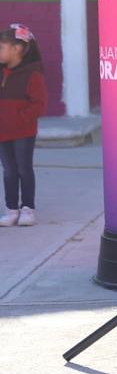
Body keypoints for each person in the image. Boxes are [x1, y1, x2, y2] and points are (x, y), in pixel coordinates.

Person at [0, 24, 46, 227]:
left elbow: (39, 104)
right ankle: (11, 209)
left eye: (1, 47)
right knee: (8, 170)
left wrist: (21, 118)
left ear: (16, 49)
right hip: (2, 131)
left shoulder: (32, 75)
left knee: (23, 168)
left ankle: (27, 208)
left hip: (23, 131)